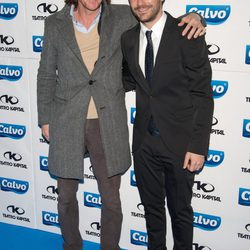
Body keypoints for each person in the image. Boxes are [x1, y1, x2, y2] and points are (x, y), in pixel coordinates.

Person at [36, 0, 206, 249]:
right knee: (65, 197)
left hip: (108, 120)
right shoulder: (54, 23)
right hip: (66, 118)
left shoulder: (124, 14)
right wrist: (45, 117)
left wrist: (197, 16)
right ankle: (71, 245)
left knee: (112, 199)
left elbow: (160, 17)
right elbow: (46, 73)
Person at [121, 0, 214, 249]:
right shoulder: (128, 38)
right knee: (152, 211)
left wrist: (198, 146)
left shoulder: (187, 32)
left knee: (180, 212)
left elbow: (202, 93)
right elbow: (128, 79)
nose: (140, 3)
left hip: (181, 144)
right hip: (144, 143)